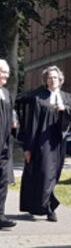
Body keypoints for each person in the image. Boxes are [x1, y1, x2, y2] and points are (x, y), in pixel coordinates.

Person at [19, 65, 71, 222]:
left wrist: (63, 109)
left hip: (59, 141)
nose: (53, 80)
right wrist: (28, 147)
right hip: (41, 142)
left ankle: (46, 206)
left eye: (56, 78)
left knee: (55, 174)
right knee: (45, 174)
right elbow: (32, 122)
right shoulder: (39, 97)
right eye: (50, 77)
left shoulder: (67, 97)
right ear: (45, 80)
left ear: (61, 80)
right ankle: (49, 208)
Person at [0, 60, 16, 229]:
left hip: (5, 144)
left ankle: (0, 214)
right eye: (2, 72)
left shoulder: (5, 92)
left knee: (2, 181)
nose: (5, 76)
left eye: (7, 73)